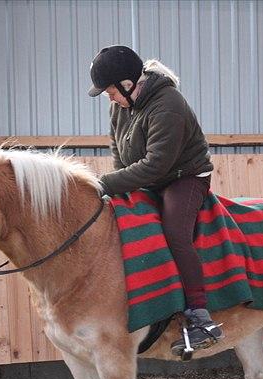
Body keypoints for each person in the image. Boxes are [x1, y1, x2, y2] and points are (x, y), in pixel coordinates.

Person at [88, 45, 222, 357]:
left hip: (184, 178)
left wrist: (104, 184)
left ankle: (200, 317)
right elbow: (119, 157)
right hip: (150, 179)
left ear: (128, 84)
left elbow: (156, 165)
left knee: (175, 231)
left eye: (110, 91)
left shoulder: (168, 103)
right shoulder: (119, 107)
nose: (109, 98)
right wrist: (116, 188)